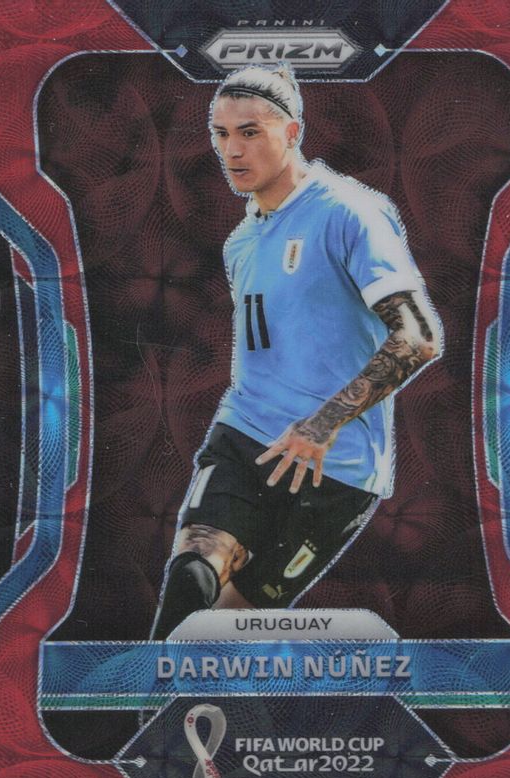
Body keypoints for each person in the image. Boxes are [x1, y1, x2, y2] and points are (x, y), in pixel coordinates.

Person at [151, 64, 442, 639]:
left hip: (337, 468)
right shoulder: (240, 241)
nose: (232, 150)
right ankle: (149, 698)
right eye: (220, 134)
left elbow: (418, 336)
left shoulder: (349, 213)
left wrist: (322, 423)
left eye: (250, 132)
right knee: (191, 574)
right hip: (245, 434)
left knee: (224, 627)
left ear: (292, 132)